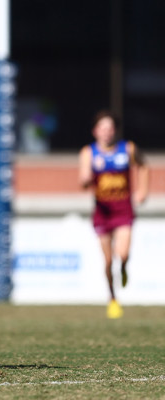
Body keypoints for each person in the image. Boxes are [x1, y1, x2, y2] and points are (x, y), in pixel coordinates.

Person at [78, 110, 149, 319]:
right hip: (102, 212)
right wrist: (86, 179)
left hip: (123, 210)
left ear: (114, 131)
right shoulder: (88, 153)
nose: (107, 132)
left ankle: (124, 267)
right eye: (102, 128)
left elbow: (144, 165)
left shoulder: (127, 149)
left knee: (123, 254)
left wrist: (142, 191)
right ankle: (113, 299)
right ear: (95, 131)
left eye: (110, 128)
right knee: (108, 261)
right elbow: (83, 178)